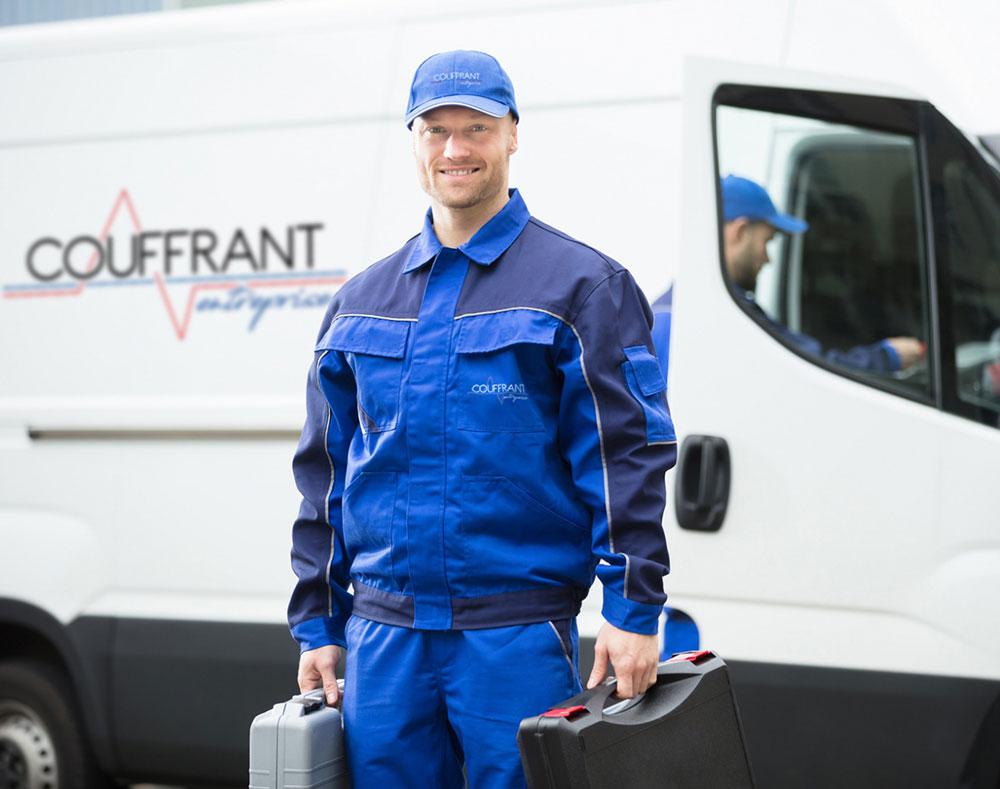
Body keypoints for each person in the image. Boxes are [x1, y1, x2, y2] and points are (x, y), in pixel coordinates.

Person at [287, 50, 676, 788]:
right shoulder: (359, 304)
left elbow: (626, 457)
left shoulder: (583, 287)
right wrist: (319, 620)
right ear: (414, 140)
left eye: (476, 128)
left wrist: (633, 606)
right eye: (436, 131)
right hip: (384, 641)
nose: (455, 149)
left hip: (516, 637)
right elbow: (325, 479)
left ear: (512, 135)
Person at [651, 174, 925, 385]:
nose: (767, 259)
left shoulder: (716, 309)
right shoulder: (673, 322)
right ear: (740, 231)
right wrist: (886, 357)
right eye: (766, 242)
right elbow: (812, 365)